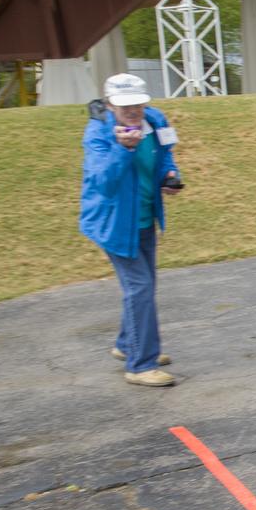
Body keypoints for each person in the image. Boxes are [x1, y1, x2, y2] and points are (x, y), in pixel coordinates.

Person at [80, 73, 183, 387]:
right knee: (139, 289)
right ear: (110, 104)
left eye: (137, 104)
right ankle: (141, 365)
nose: (133, 111)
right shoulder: (98, 133)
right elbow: (104, 183)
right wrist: (122, 150)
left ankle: (128, 345)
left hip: (144, 217)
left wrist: (170, 174)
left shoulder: (155, 119)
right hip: (113, 223)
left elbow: (166, 151)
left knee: (144, 286)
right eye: (125, 106)